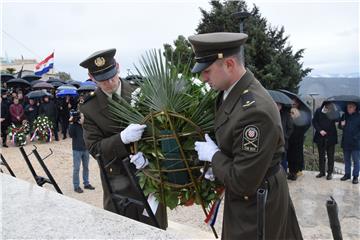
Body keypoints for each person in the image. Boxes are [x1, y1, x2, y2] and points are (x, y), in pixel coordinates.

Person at [189, 32, 302, 240]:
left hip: (256, 202)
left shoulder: (254, 111)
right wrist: (218, 165)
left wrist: (214, 156)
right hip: (249, 195)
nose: (203, 78)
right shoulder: (230, 91)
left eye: (207, 71)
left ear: (229, 64)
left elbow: (243, 181)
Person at [79, 48, 166, 229]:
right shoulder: (90, 108)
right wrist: (121, 139)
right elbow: (95, 148)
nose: (110, 82)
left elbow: (161, 130)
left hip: (149, 174)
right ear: (91, 77)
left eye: (112, 75)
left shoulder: (141, 92)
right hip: (118, 181)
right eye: (102, 80)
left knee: (154, 229)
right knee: (121, 230)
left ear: (117, 67)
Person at [68, 109, 95, 193]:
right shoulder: (74, 125)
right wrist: (71, 122)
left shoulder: (86, 125)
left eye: (82, 116)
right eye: (81, 116)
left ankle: (86, 183)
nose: (81, 118)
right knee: (76, 168)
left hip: (86, 148)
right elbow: (71, 134)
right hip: (77, 149)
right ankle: (76, 186)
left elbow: (91, 133)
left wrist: (83, 124)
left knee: (86, 167)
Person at [312, 102, 338, 180]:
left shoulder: (333, 111)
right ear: (325, 105)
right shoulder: (318, 111)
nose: (329, 107)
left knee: (331, 156)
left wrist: (334, 111)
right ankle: (322, 172)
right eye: (328, 106)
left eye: (331, 106)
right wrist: (320, 130)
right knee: (321, 155)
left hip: (331, 137)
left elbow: (338, 119)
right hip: (320, 137)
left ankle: (329, 173)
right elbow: (314, 121)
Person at [338, 102, 360, 184]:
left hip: (355, 143)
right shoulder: (344, 115)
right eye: (347, 107)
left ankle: (355, 176)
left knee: (356, 160)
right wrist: (341, 124)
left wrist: (356, 137)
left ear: (355, 108)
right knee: (347, 160)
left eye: (350, 107)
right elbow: (339, 126)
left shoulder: (359, 116)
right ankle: (347, 174)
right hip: (346, 142)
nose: (348, 109)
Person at [287, 99, 308, 180]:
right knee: (290, 157)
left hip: (297, 141)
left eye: (294, 103)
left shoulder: (300, 119)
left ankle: (294, 173)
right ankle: (291, 172)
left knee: (296, 157)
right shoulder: (290, 118)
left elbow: (302, 130)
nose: (293, 105)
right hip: (290, 140)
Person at [277, 102, 294, 172]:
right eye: (275, 104)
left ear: (281, 106)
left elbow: (290, 128)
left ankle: (283, 174)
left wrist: (285, 136)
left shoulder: (286, 115)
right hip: (272, 140)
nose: (276, 106)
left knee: (283, 158)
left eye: (278, 105)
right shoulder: (271, 113)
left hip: (283, 141)